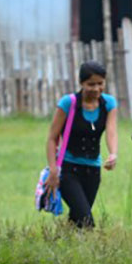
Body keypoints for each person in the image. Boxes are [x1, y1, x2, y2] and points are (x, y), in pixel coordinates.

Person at [43, 62, 118, 228]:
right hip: (69, 170)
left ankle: (61, 246)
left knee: (77, 219)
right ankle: (89, 249)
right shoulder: (68, 103)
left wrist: (113, 153)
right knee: (86, 220)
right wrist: (53, 170)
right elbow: (51, 138)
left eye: (100, 83)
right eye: (91, 84)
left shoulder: (109, 104)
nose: (96, 88)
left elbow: (111, 131)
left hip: (93, 170)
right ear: (81, 83)